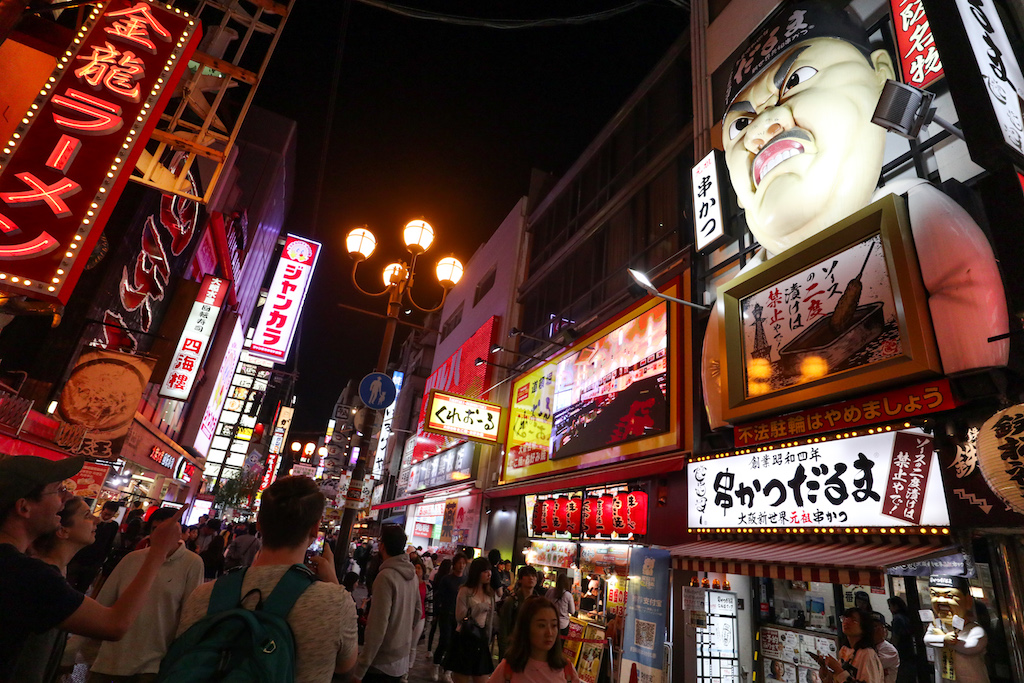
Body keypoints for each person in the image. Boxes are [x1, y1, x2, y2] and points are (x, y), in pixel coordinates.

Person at [702, 2, 1009, 429]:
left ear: (880, 76)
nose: (761, 129)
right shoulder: (739, 292)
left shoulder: (910, 208)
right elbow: (718, 371)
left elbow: (964, 283)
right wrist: (725, 430)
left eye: (796, 80)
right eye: (740, 126)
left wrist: (974, 388)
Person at [0, 455, 184, 682]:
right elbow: (114, 624)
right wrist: (158, 552)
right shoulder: (26, 574)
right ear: (24, 507)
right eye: (57, 490)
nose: (66, 497)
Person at [176, 476, 357, 682]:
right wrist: (333, 582)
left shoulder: (203, 595)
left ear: (259, 524)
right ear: (315, 529)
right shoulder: (336, 602)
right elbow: (346, 669)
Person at [79, 506, 204, 682]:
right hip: (111, 659)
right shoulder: (133, 559)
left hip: (153, 664)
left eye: (166, 530)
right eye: (155, 529)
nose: (159, 535)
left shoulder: (192, 563)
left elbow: (189, 616)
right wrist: (78, 649)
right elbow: (103, 603)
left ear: (179, 532)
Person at [9, 496, 96, 683]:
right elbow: (115, 625)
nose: (94, 521)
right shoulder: (44, 578)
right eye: (87, 515)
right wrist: (156, 554)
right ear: (63, 530)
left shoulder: (55, 571)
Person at [353, 524, 422, 683]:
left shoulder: (385, 577)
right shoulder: (412, 574)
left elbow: (377, 626)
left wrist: (360, 670)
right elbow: (418, 612)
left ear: (382, 546)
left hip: (381, 662)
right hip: (401, 658)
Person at [487, 596, 580, 683]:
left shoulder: (567, 670)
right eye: (541, 626)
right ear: (526, 628)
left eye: (554, 625)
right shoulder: (508, 669)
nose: (550, 633)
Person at [445, 557, 496, 682]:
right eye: (485, 571)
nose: (489, 574)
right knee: (462, 677)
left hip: (481, 639)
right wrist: (479, 608)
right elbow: (460, 616)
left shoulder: (489, 593)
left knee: (483, 678)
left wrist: (489, 637)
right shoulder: (465, 591)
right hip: (465, 638)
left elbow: (490, 620)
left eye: (489, 570)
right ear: (476, 572)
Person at [67, 501, 120, 594]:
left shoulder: (113, 526)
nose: (106, 517)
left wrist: (101, 560)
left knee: (82, 588)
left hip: (94, 562)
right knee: (69, 583)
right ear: (102, 510)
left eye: (110, 515)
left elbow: (109, 543)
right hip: (80, 557)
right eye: (105, 514)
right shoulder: (92, 521)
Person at [819, 608, 884, 683]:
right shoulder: (845, 649)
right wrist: (827, 674)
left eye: (853, 620)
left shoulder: (867, 653)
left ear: (864, 627)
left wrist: (838, 670)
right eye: (844, 619)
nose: (846, 622)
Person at [433, 554, 468, 681]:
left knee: (454, 644)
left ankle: (447, 670)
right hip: (446, 614)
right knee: (444, 640)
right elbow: (439, 596)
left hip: (459, 616)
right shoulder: (447, 579)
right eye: (459, 563)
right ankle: (436, 665)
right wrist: (438, 611)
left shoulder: (466, 580)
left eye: (464, 563)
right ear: (454, 564)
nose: (461, 565)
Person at [498, 565, 539, 661]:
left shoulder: (538, 602)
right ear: (520, 580)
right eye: (528, 575)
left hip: (531, 650)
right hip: (513, 649)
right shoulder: (512, 601)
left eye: (533, 576)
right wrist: (504, 653)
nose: (531, 578)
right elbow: (503, 628)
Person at [886, 597, 918, 683]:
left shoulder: (897, 618)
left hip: (901, 653)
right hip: (909, 652)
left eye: (890, 606)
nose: (889, 608)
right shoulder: (907, 617)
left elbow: (895, 638)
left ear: (896, 606)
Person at [407, 558, 428, 680]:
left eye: (419, 568)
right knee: (406, 643)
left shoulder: (426, 586)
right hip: (408, 616)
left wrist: (428, 621)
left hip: (421, 617)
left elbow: (428, 604)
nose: (417, 570)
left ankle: (408, 669)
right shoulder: (408, 583)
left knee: (413, 645)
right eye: (415, 567)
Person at [428, 559, 453, 653]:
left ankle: (429, 649)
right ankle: (440, 650)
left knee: (433, 628)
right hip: (443, 605)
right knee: (443, 631)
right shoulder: (448, 579)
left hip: (435, 603)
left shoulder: (437, 575)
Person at [870, 613, 899, 683]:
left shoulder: (889, 650)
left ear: (884, 630)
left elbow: (869, 666)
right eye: (870, 627)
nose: (873, 630)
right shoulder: (865, 647)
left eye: (876, 626)